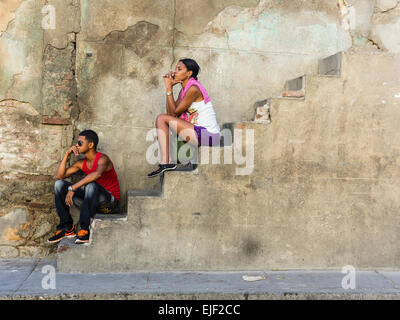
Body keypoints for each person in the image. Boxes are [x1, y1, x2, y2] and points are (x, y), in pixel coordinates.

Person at [148, 58, 220, 178]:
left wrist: (169, 88)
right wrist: (169, 90)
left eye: (179, 69)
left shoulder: (194, 89)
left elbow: (172, 113)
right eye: (175, 68)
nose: (175, 72)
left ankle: (166, 162)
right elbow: (172, 114)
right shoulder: (184, 91)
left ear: (189, 73)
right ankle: (167, 162)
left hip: (210, 135)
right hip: (199, 133)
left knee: (161, 118)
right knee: (162, 119)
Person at [47, 130, 120, 244]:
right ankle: (67, 228)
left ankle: (84, 229)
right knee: (59, 185)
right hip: (91, 202)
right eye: (77, 143)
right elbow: (60, 176)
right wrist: (67, 154)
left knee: (91, 184)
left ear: (91, 145)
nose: (77, 145)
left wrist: (73, 188)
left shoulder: (103, 159)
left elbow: (97, 174)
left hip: (109, 204)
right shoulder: (82, 163)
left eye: (80, 143)